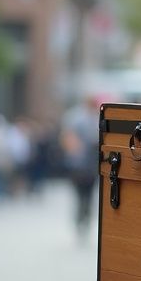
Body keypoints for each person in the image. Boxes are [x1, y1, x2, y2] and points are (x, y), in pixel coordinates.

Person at [60, 95, 100, 237]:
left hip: (90, 164)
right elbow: (69, 138)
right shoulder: (77, 118)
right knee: (80, 194)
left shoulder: (95, 118)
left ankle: (85, 217)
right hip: (79, 164)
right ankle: (81, 218)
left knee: (88, 194)